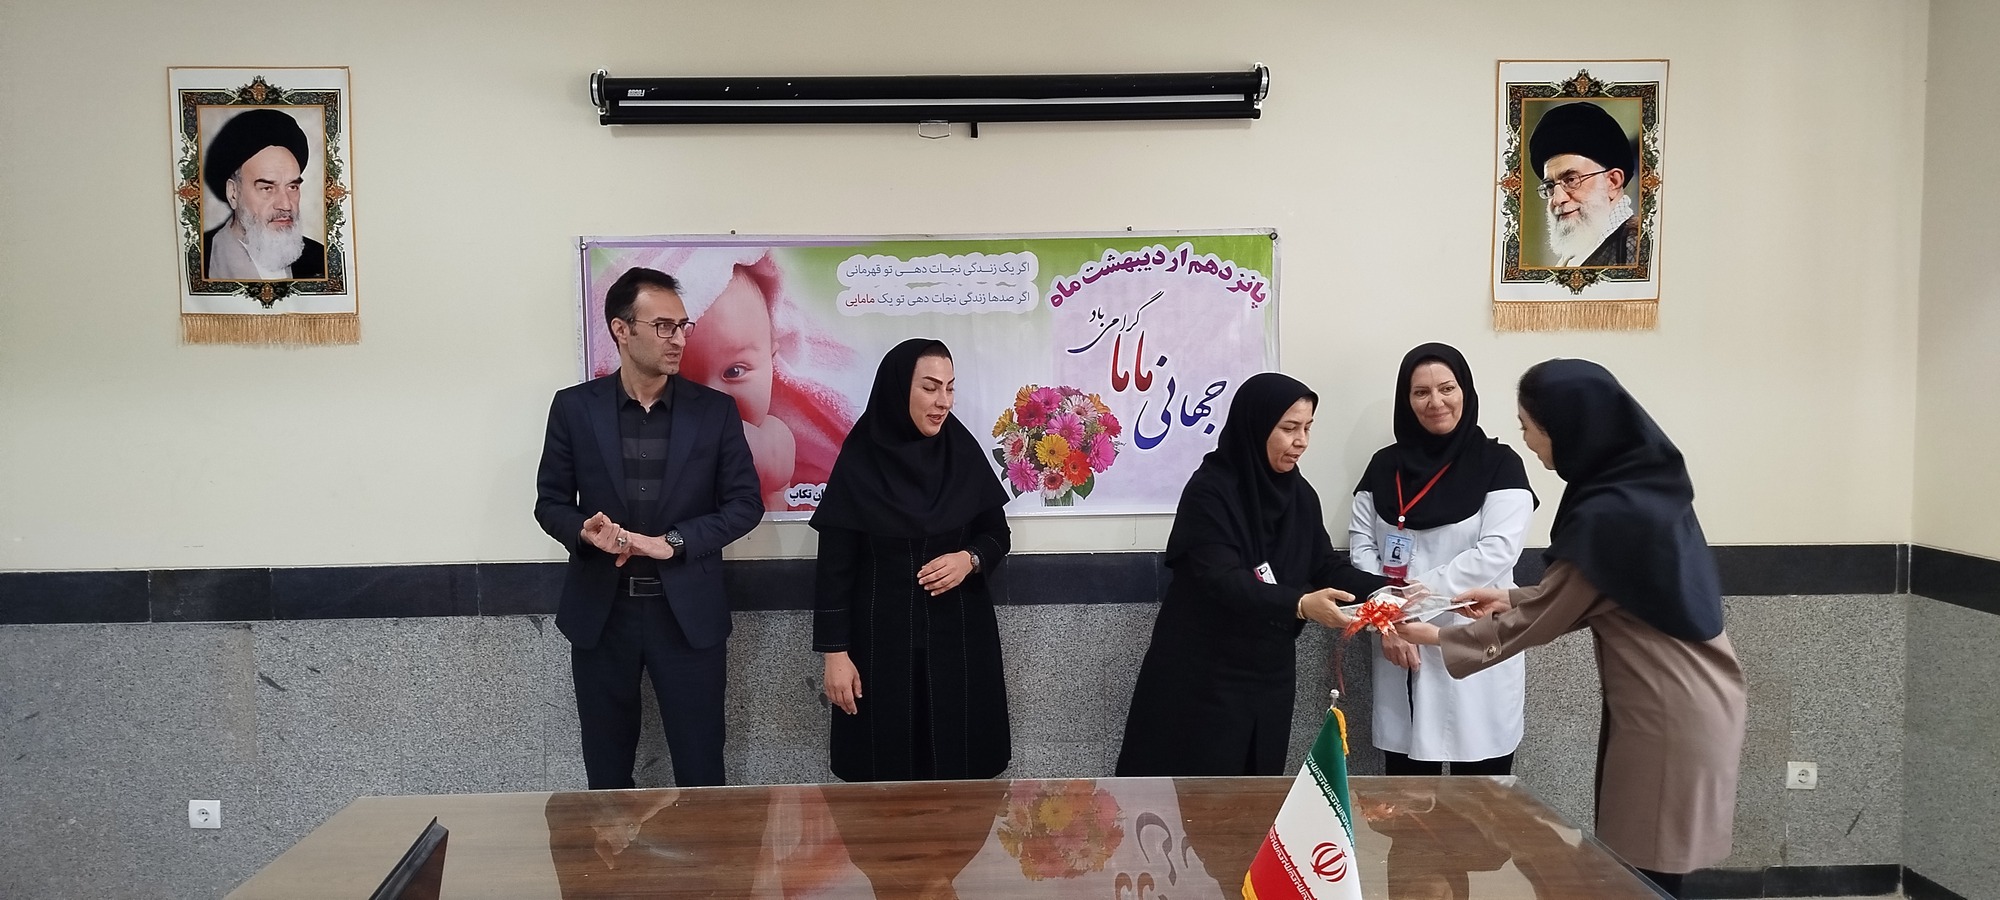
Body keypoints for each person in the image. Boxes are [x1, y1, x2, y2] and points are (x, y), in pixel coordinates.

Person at [1394, 358, 1747, 898]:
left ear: (1567, 426)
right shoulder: (1639, 489)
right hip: (1683, 697)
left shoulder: (1611, 514)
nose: (1527, 440)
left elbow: (1546, 616)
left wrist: (1439, 635)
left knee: (1644, 868)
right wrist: (1508, 596)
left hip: (1670, 710)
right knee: (1643, 859)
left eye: (1529, 426)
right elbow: (1595, 594)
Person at [534, 265, 763, 789]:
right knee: (606, 774)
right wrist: (583, 531)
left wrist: (673, 543)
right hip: (603, 614)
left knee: (702, 771)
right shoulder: (574, 409)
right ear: (621, 329)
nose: (678, 338)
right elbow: (550, 504)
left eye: (682, 326)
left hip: (687, 616)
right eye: (663, 326)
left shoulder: (715, 412)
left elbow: (744, 504)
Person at [1115, 373, 1387, 777]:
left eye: (1308, 427)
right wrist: (1299, 604)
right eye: (1289, 428)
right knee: (1197, 796)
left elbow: (1325, 565)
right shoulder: (1211, 491)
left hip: (1269, 675)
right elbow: (1221, 579)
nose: (1302, 441)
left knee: (1255, 790)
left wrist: (1389, 590)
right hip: (1203, 675)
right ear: (1256, 427)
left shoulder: (1299, 495)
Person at [811, 338, 1014, 782]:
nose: (943, 402)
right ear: (898, 388)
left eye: (950, 388)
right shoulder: (860, 460)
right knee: (882, 774)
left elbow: (997, 534)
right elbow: (834, 569)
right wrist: (834, 656)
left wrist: (969, 559)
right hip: (878, 648)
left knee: (962, 768)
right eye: (930, 387)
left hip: (960, 642)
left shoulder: (961, 451)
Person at [1349, 343, 1535, 776]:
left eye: (1447, 388)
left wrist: (1410, 599)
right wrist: (1388, 618)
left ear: (1465, 390)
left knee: (1483, 791)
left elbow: (1496, 551)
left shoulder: (1500, 464)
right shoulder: (1383, 467)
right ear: (1406, 400)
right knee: (1408, 790)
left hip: (1474, 636)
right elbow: (1362, 548)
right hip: (1398, 639)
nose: (1436, 402)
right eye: (1421, 392)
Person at [589, 247, 861, 513]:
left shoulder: (773, 435)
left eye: (734, 371)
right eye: (680, 378)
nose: (712, 395)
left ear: (772, 362)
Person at [200, 108, 327, 280]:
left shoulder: (320, 259)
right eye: (267, 188)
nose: (286, 204)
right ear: (233, 193)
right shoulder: (201, 259)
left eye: (292, 187)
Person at [1528, 101, 1639, 267]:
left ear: (1612, 182)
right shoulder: (1575, 255)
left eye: (1571, 180)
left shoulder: (1636, 249)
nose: (1557, 199)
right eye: (1550, 186)